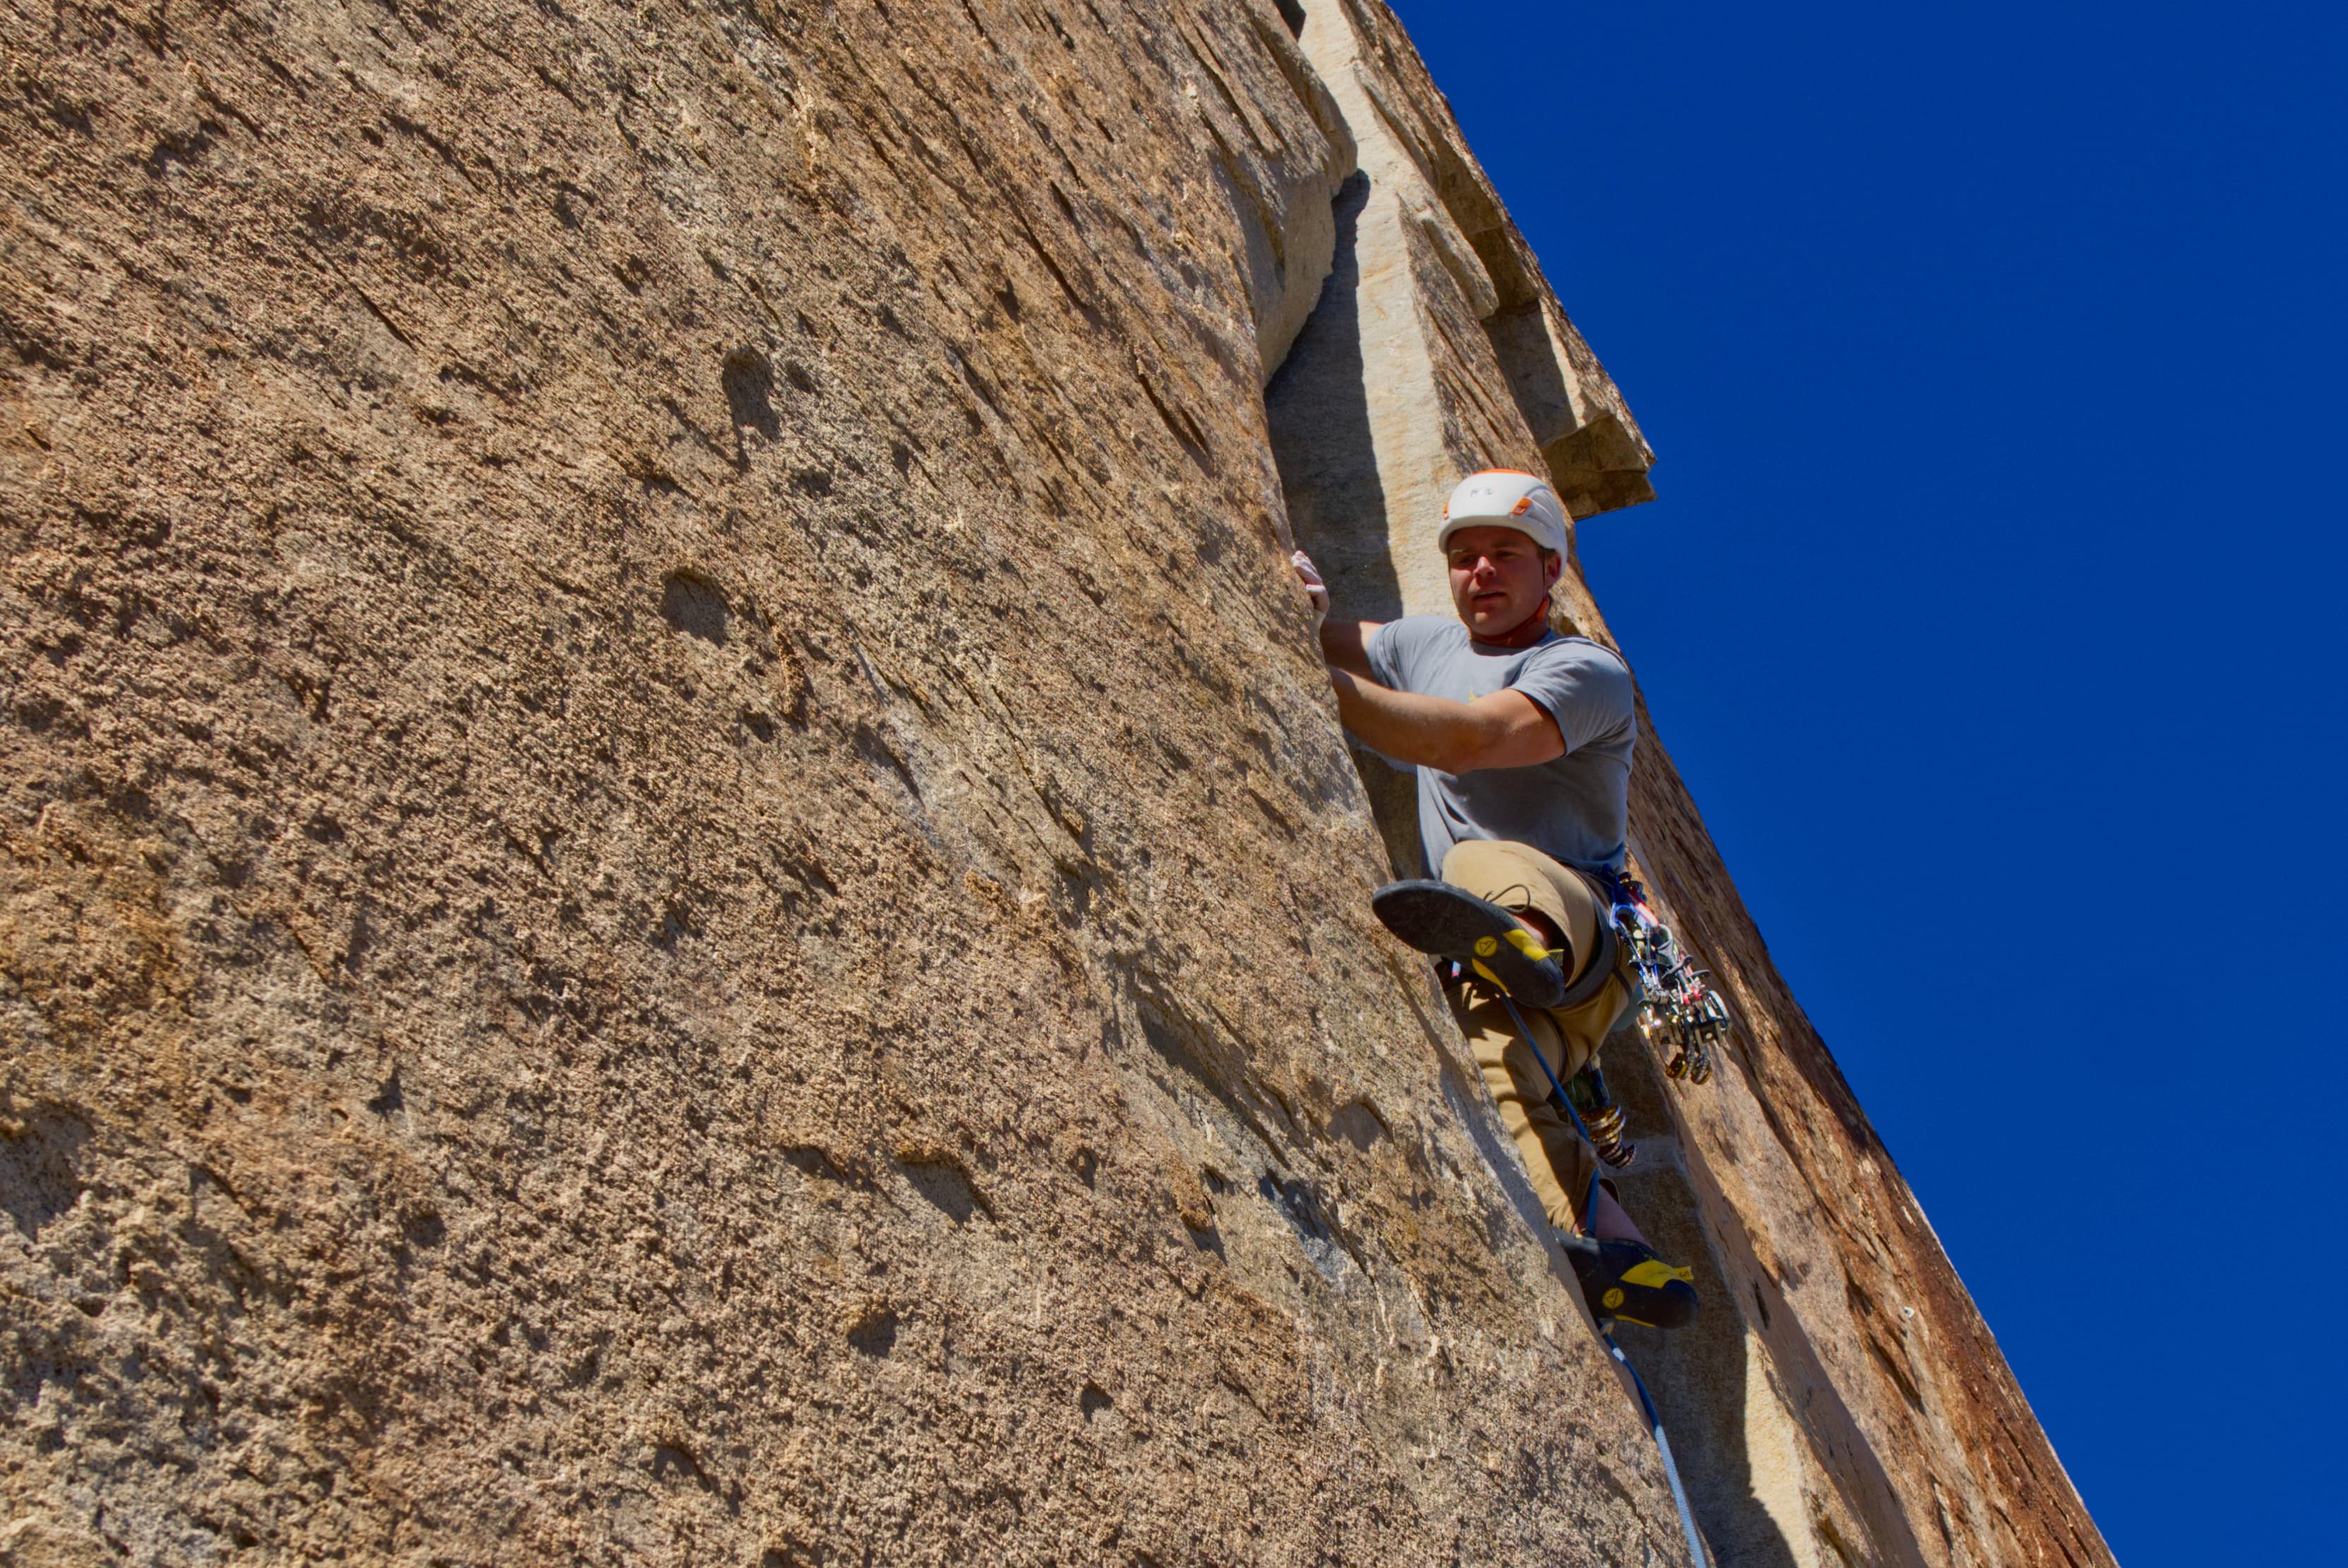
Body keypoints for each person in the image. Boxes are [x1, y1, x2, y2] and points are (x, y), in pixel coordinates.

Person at [1294, 469, 1698, 1330]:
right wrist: (1299, 607)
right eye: (1464, 555)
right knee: (1503, 1076)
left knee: (1477, 864)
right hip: (1508, 963)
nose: (1480, 571)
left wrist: (1332, 688)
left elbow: (1474, 740)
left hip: (1578, 932)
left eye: (1505, 554)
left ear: (1551, 570)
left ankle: (1522, 943)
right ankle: (1619, 1253)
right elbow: (1324, 636)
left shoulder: (1583, 672)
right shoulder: (1421, 646)